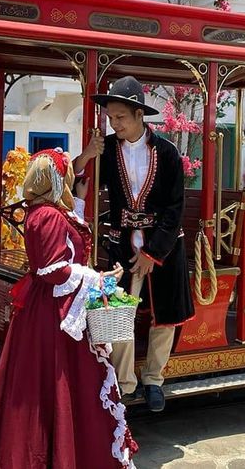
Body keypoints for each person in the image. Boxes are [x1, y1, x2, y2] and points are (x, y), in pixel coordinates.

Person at [0, 148, 137, 469]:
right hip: (52, 316)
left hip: (56, 310)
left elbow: (67, 245)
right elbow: (50, 269)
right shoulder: (46, 215)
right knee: (53, 385)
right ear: (58, 180)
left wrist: (80, 200)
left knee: (59, 386)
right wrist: (96, 278)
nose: (73, 182)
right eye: (69, 177)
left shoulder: (47, 211)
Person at [74, 76, 194, 413]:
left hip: (163, 250)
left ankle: (154, 380)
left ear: (140, 114)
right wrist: (86, 155)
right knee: (118, 316)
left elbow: (175, 208)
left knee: (164, 318)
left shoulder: (167, 152)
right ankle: (124, 383)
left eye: (121, 117)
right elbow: (74, 181)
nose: (115, 124)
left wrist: (153, 253)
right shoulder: (107, 149)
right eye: (111, 118)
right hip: (122, 248)